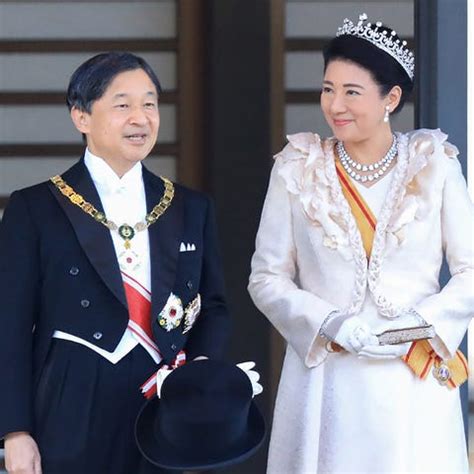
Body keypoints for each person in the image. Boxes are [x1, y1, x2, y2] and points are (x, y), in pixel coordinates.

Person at [248, 13, 473, 474]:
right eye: (328, 89)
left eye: (352, 92)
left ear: (391, 98)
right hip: (328, 376)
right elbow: (266, 277)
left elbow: (471, 272)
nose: (335, 105)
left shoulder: (435, 165)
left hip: (411, 373)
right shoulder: (297, 167)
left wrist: (417, 326)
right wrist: (327, 322)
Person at [0, 52, 230, 474]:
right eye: (122, 105)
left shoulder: (189, 206)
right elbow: (9, 324)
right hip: (73, 398)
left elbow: (213, 305)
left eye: (149, 104)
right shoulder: (35, 207)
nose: (140, 118)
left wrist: (199, 371)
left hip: (166, 401)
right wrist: (15, 431)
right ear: (81, 117)